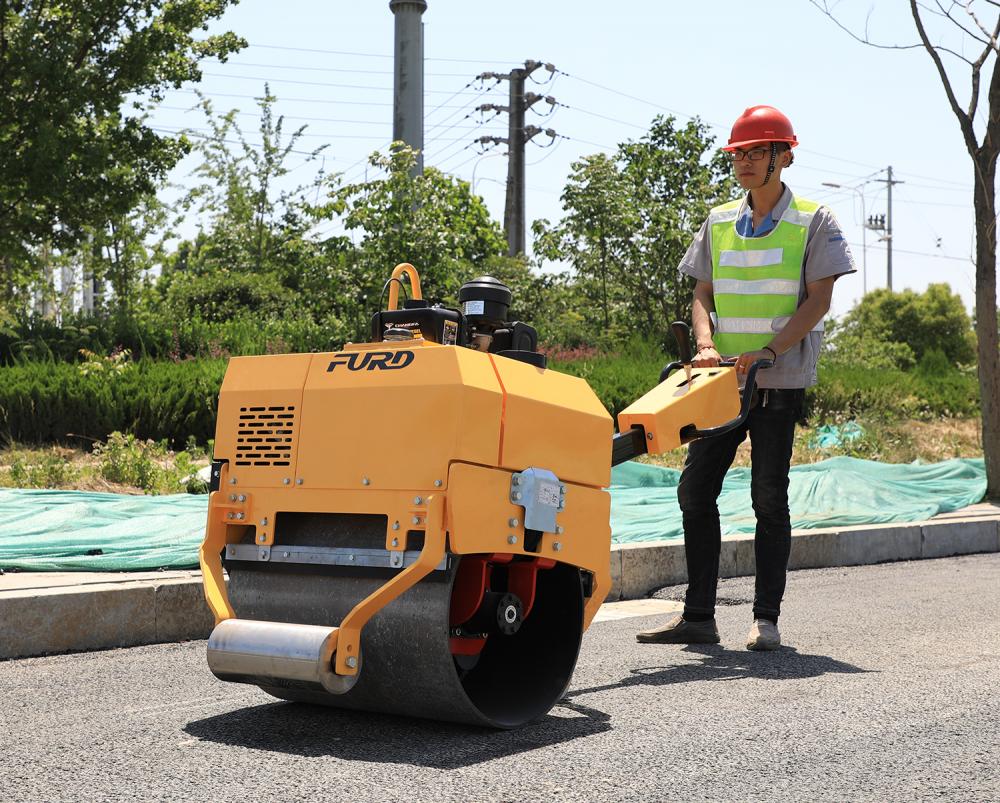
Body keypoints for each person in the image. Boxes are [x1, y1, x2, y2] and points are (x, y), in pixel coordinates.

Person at [636, 105, 856, 651]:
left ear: (784, 157)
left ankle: (765, 618)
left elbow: (819, 299)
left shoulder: (814, 219)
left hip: (778, 380)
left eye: (757, 152)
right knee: (694, 490)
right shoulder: (717, 221)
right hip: (720, 384)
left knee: (768, 498)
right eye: (739, 153)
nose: (745, 162)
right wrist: (707, 344)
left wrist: (769, 350)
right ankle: (698, 617)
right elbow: (702, 293)